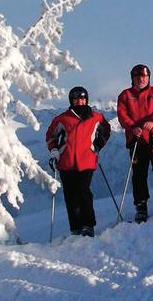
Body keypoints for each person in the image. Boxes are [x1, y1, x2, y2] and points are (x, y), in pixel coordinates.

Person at [46, 86, 111, 237]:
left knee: (83, 191)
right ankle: (75, 227)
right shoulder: (62, 119)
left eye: (82, 99)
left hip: (87, 161)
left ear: (86, 100)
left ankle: (88, 225)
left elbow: (106, 130)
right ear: (71, 100)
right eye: (76, 99)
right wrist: (54, 150)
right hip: (66, 162)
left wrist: (99, 144)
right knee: (70, 196)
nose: (79, 102)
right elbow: (51, 136)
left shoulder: (95, 117)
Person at [117, 64, 153, 222]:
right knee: (139, 175)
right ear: (132, 79)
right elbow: (122, 114)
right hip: (136, 140)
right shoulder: (125, 95)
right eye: (138, 77)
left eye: (144, 76)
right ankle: (141, 205)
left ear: (148, 78)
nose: (141, 79)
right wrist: (132, 126)